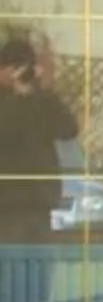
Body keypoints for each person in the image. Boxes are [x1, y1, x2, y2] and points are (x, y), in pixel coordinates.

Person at [0, 34, 80, 244]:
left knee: (39, 259)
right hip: (6, 204)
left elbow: (69, 129)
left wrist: (42, 92)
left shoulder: (41, 100)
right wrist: (16, 96)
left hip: (39, 200)